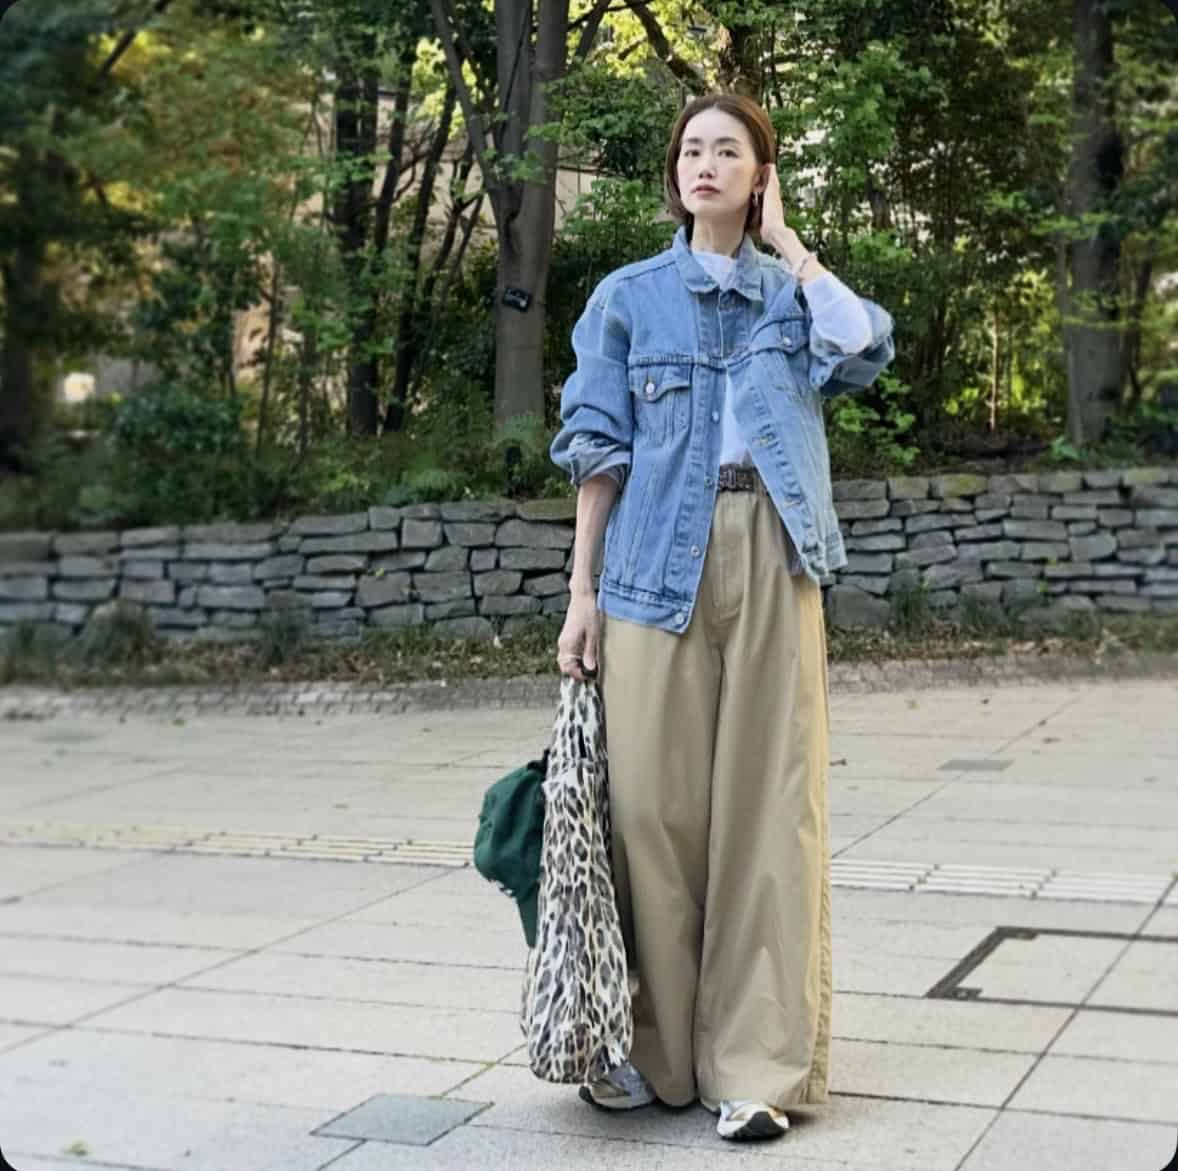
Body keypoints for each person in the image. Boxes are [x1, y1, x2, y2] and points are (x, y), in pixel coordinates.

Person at [549, 93, 895, 1143]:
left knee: (769, 813)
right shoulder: (625, 297)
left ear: (759, 175)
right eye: (691, 149)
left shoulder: (791, 298)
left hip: (773, 555)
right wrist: (580, 595)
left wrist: (790, 245)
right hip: (650, 562)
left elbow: (864, 347)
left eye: (728, 151)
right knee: (650, 814)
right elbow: (597, 453)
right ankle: (653, 1052)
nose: (704, 163)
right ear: (674, 174)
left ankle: (756, 1067)